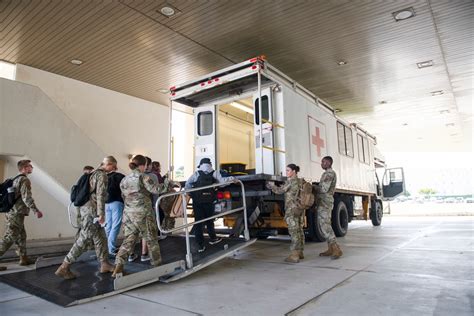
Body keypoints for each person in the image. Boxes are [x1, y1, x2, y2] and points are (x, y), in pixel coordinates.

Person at [55, 157, 116, 279]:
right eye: (113, 166)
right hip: (92, 211)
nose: (115, 169)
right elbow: (100, 195)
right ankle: (64, 266)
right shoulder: (101, 175)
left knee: (101, 237)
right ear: (108, 164)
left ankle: (104, 263)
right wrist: (101, 214)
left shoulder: (92, 173)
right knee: (84, 238)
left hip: (87, 209)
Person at [112, 155, 173, 277]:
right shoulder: (143, 176)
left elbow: (124, 196)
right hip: (143, 213)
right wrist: (167, 182)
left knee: (128, 240)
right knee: (151, 239)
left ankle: (118, 267)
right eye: (146, 165)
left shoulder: (125, 179)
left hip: (128, 214)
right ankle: (157, 266)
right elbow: (155, 189)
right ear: (143, 165)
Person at [0, 160, 43, 271]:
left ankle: (23, 259)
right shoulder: (24, 180)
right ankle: (23, 258)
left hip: (12, 212)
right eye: (30, 166)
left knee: (21, 236)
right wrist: (36, 210)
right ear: (24, 167)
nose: (32, 167)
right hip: (16, 213)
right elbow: (26, 197)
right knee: (9, 237)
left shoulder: (15, 179)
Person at [185, 158, 235, 253]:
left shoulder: (197, 173)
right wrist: (233, 179)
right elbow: (222, 183)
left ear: (201, 165)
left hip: (198, 202)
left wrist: (191, 193)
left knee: (198, 222)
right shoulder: (214, 173)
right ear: (210, 164)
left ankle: (200, 245)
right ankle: (213, 239)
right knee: (209, 220)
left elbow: (188, 184)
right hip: (209, 201)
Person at [267, 164, 305, 263]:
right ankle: (300, 252)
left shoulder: (291, 182)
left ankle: (294, 255)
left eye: (288, 170)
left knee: (293, 232)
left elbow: (280, 191)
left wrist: (272, 186)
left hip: (292, 210)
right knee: (299, 230)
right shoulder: (300, 181)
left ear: (293, 171)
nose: (286, 172)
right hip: (299, 209)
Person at [316, 156, 343, 259]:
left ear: (328, 163)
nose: (321, 163)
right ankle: (330, 248)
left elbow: (323, 189)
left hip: (325, 202)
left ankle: (336, 249)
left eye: (323, 162)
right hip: (323, 202)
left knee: (325, 226)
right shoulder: (326, 173)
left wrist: (313, 187)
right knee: (325, 225)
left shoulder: (329, 174)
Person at [104, 156, 125, 256]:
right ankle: (111, 249)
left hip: (106, 203)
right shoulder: (119, 176)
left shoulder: (102, 177)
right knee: (115, 226)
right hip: (117, 202)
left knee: (108, 226)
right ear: (114, 165)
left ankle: (108, 247)